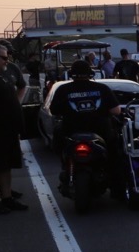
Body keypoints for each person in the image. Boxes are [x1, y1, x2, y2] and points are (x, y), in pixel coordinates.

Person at [49, 60, 122, 193]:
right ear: (90, 74)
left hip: (71, 131)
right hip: (101, 132)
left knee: (59, 141)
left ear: (71, 74)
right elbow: (116, 111)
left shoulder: (63, 89)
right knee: (115, 153)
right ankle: (116, 185)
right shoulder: (102, 88)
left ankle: (66, 166)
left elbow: (54, 110)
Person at [0, 44, 29, 213]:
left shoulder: (4, 76)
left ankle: (7, 197)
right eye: (3, 57)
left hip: (7, 130)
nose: (6, 60)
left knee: (5, 165)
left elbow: (20, 88)